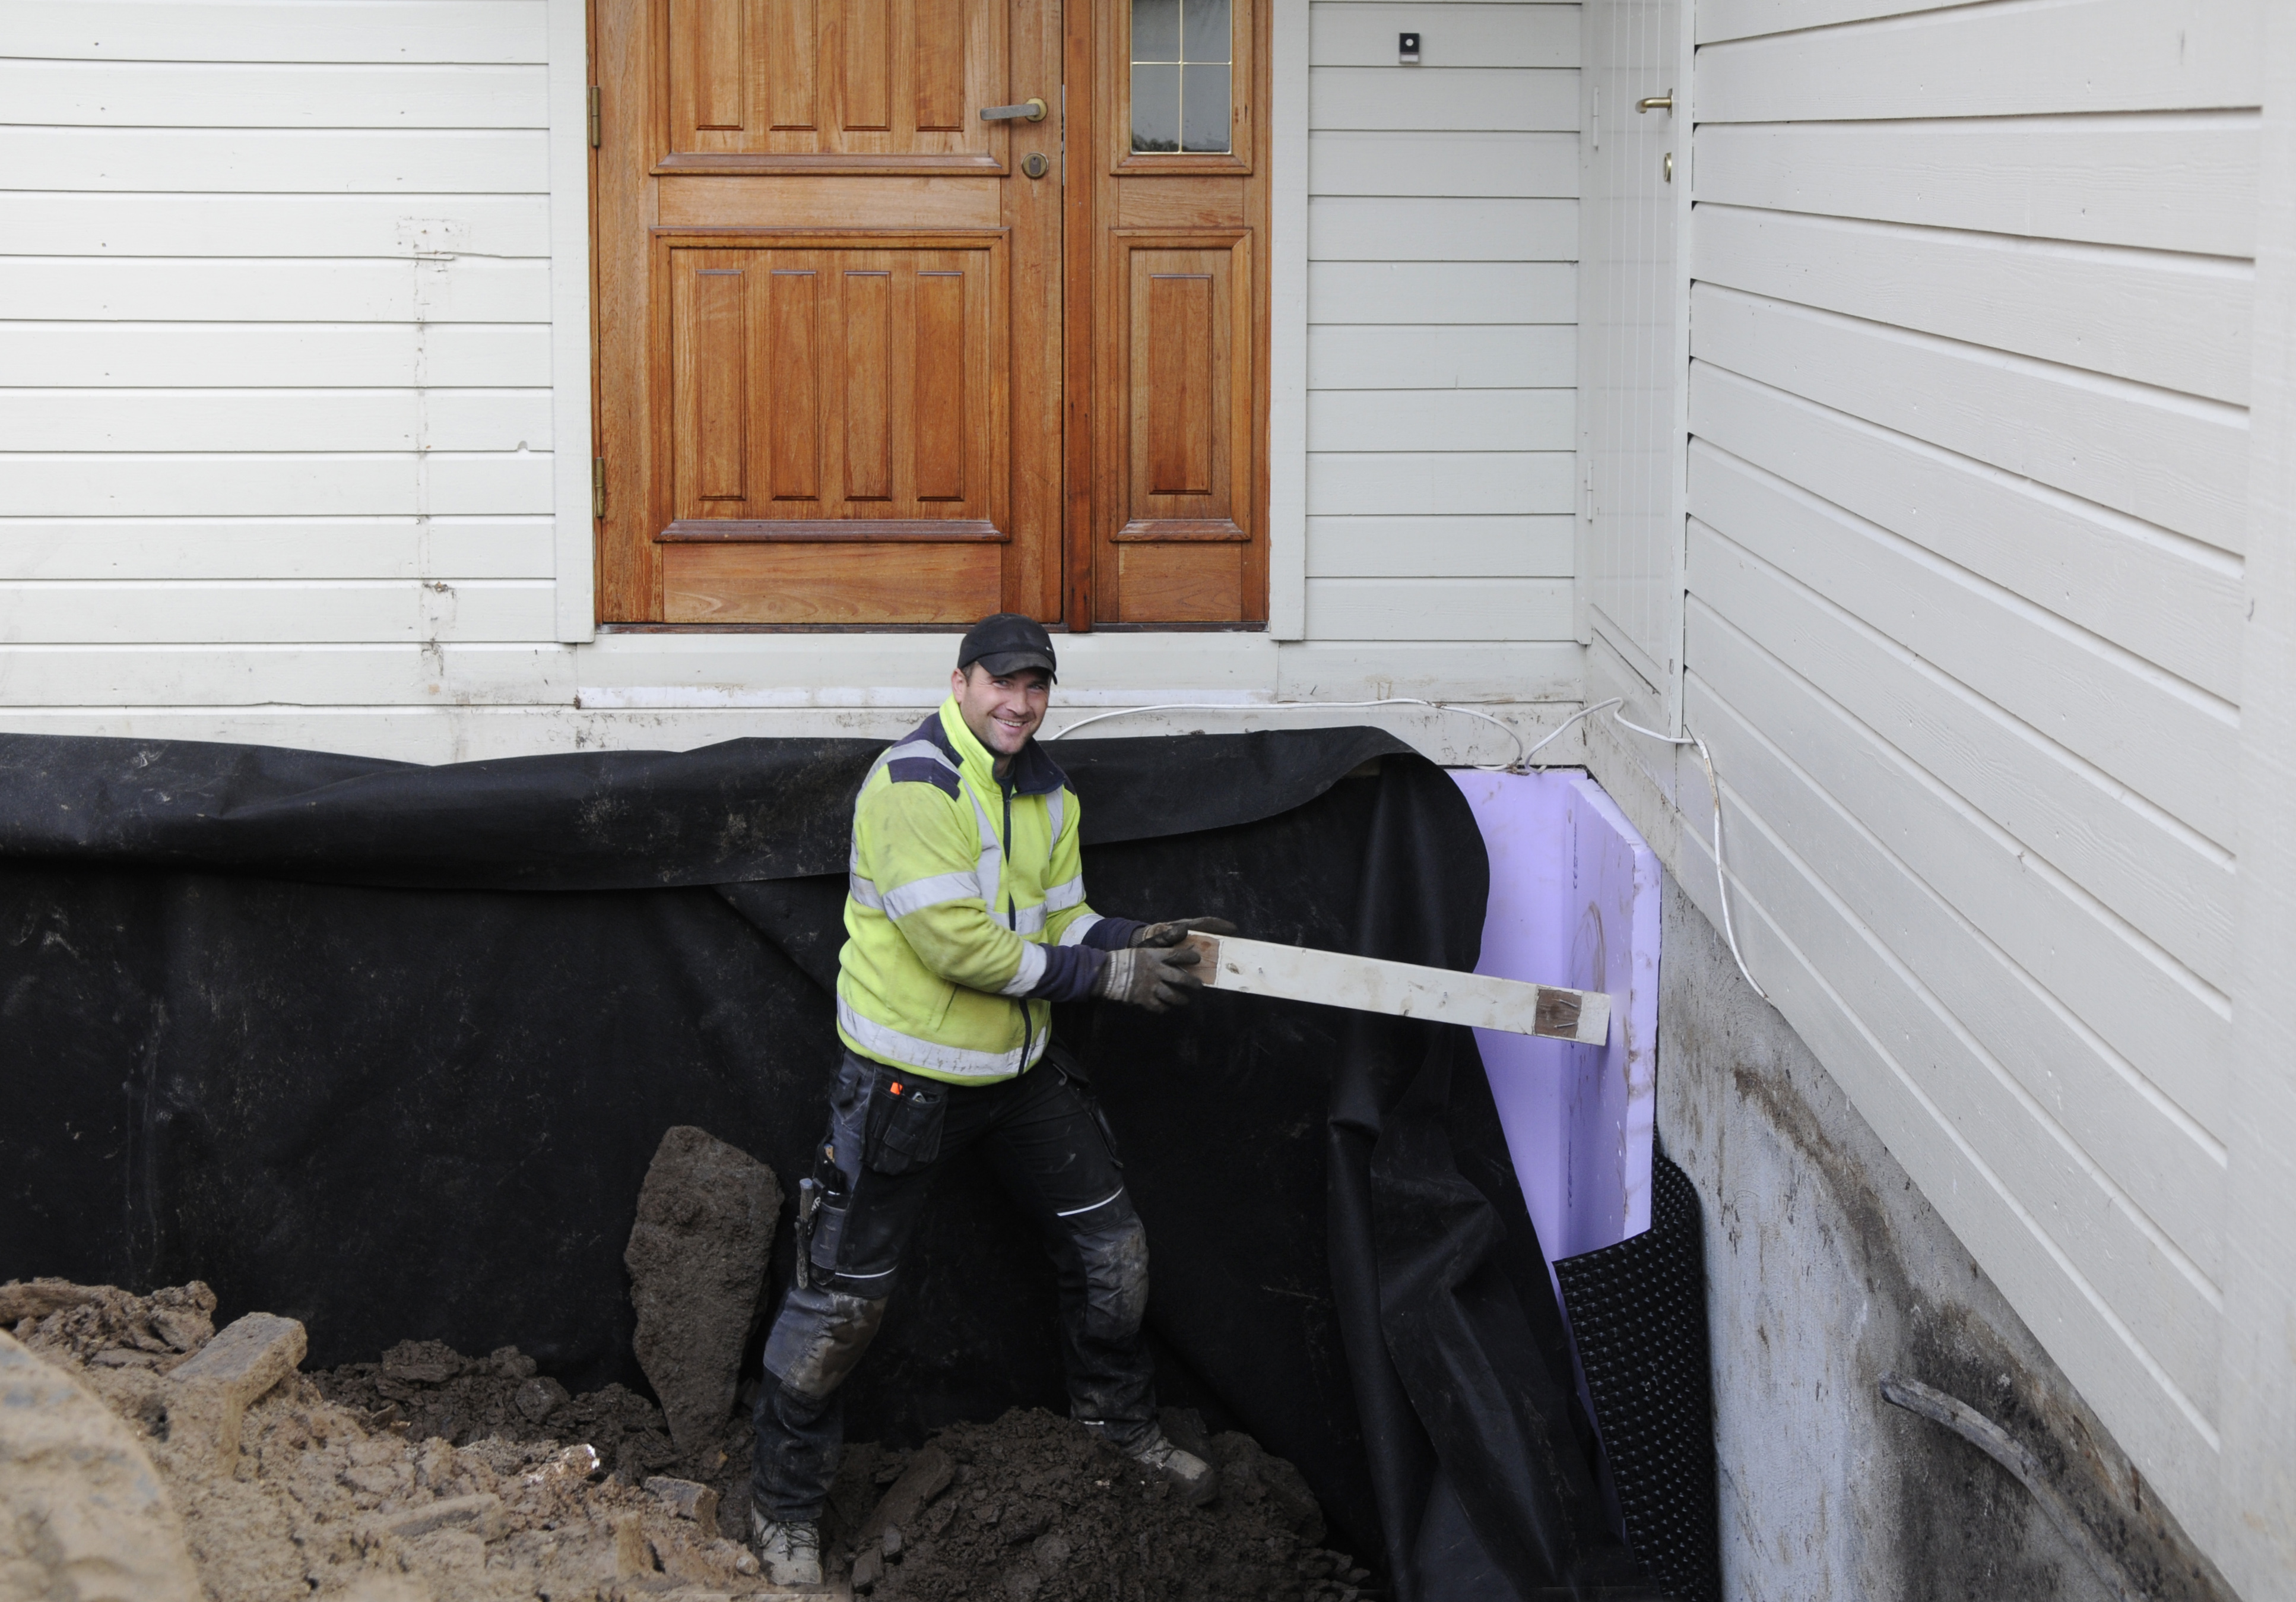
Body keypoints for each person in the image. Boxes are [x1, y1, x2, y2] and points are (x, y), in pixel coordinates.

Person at [748, 613, 1237, 1585]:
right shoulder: (914, 785)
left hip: (1019, 1076)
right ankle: (785, 1507)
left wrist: (1132, 937)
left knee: (1113, 1256)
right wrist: (1108, 978)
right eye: (1002, 683)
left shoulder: (1049, 792)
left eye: (1036, 685)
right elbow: (960, 947)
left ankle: (1116, 1431)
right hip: (906, 1081)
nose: (1020, 703)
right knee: (841, 1306)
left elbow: (1063, 917)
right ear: (961, 682)